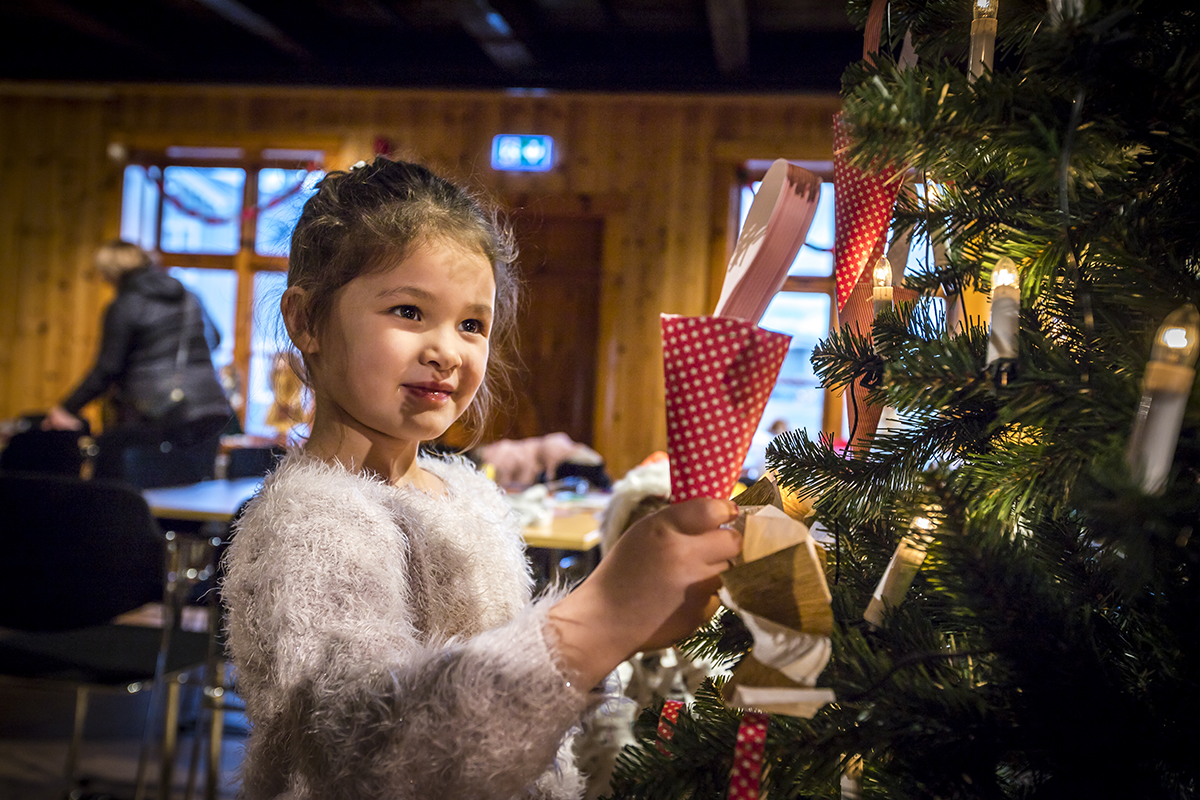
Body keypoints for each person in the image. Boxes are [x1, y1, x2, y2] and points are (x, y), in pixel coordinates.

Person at [221, 157, 742, 800]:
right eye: (409, 311)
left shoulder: (464, 491)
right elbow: (368, 753)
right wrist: (598, 619)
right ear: (306, 321)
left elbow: (513, 693)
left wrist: (622, 640)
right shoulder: (309, 522)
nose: (448, 350)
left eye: (472, 324)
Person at [43, 240, 233, 487]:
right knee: (188, 490)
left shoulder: (125, 305)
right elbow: (215, 339)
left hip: (161, 412)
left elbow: (108, 369)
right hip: (211, 411)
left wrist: (67, 408)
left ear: (112, 273)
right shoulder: (189, 296)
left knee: (112, 469)